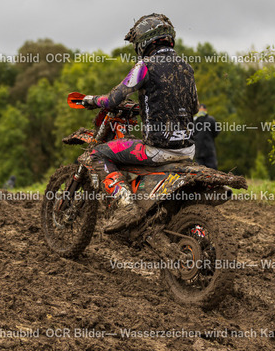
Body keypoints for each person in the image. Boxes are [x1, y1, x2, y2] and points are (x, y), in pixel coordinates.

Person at [81, 13, 199, 233]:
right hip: (187, 150)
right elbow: (193, 107)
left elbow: (113, 99)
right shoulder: (187, 68)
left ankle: (126, 206)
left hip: (158, 149)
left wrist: (92, 100)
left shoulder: (145, 65)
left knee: (98, 153)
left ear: (144, 41)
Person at [193, 104, 219, 170]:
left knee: (200, 171)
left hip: (198, 150)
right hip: (209, 149)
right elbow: (216, 133)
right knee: (213, 171)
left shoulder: (193, 120)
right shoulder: (211, 119)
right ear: (206, 110)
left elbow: (191, 134)